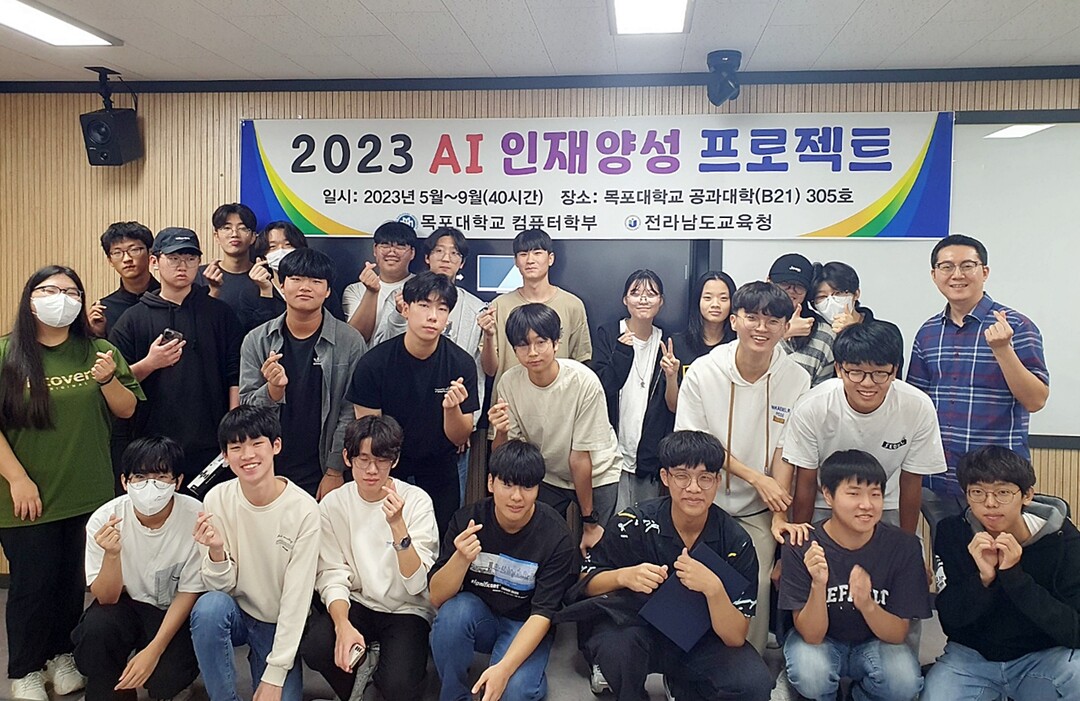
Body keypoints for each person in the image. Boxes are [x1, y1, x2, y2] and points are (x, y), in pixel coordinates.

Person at [0, 265, 142, 701]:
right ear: (30, 299)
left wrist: (107, 379)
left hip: (90, 491)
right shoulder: (6, 353)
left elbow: (127, 409)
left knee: (71, 581)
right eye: (49, 290)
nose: (60, 299)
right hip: (28, 496)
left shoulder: (99, 350)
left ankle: (61, 656)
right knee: (32, 585)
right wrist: (18, 478)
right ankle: (25, 669)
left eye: (71, 292)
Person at [569, 430, 772, 701]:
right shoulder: (633, 523)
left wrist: (714, 589)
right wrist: (623, 577)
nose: (694, 488)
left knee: (754, 684)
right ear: (665, 477)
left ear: (717, 481)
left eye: (705, 478)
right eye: (682, 476)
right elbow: (585, 582)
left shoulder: (736, 541)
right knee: (616, 650)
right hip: (635, 630)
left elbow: (735, 637)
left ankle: (682, 686)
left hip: (701, 640)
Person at [674, 281, 810, 653]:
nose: (761, 328)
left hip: (757, 509)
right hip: (703, 502)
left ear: (786, 327)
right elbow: (696, 446)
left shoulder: (797, 378)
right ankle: (684, 667)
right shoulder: (704, 371)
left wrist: (779, 513)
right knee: (692, 580)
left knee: (757, 584)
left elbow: (786, 449)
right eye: (752, 317)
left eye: (772, 320)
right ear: (734, 321)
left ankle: (746, 666)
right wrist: (755, 477)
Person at [907, 234, 1049, 538]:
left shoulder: (1017, 327)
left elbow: (1036, 400)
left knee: (1002, 559)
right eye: (946, 267)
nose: (956, 274)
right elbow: (915, 405)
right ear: (934, 275)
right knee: (951, 560)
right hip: (939, 480)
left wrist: (1003, 349)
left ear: (984, 271)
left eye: (967, 265)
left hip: (996, 484)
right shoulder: (928, 333)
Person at [923, 446, 1080, 700]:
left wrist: (1015, 577)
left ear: (1027, 495)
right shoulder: (953, 533)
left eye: (1003, 492)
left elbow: (1075, 631)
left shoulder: (1064, 541)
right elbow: (951, 621)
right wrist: (983, 580)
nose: (990, 503)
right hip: (971, 658)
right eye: (977, 492)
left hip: (1041, 657)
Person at [301, 415, 439, 701]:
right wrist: (342, 625)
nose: (372, 470)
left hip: (406, 609)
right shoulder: (333, 504)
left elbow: (417, 585)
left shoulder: (417, 501)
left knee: (399, 687)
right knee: (316, 645)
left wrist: (398, 525)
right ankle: (361, 685)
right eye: (363, 460)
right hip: (359, 602)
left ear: (395, 461)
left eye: (381, 460)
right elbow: (331, 575)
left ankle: (373, 680)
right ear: (347, 458)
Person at [428, 440, 578, 701]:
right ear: (490, 483)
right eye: (507, 484)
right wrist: (461, 559)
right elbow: (437, 597)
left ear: (538, 488)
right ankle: (454, 695)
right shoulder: (468, 520)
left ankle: (527, 679)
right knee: (452, 615)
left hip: (525, 622)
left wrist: (504, 670)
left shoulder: (557, 536)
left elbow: (543, 614)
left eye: (527, 486)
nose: (516, 496)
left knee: (515, 690)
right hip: (479, 615)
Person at [188, 406, 320, 701]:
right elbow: (219, 587)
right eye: (236, 447)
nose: (247, 455)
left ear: (276, 446)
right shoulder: (217, 499)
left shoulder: (304, 510)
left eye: (257, 443)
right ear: (225, 456)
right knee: (209, 608)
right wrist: (216, 552)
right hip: (235, 612)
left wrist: (276, 674)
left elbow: (297, 599)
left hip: (277, 622)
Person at [779, 450, 930, 701]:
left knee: (904, 683)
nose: (866, 505)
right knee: (811, 675)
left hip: (875, 643)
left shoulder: (904, 546)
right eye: (854, 493)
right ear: (828, 495)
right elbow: (812, 636)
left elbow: (897, 634)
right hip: (822, 642)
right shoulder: (802, 543)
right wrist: (818, 584)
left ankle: (859, 695)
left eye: (875, 494)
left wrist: (867, 604)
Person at [72, 436, 202, 701]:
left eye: (161, 477)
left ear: (177, 482)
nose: (150, 486)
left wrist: (154, 651)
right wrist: (112, 555)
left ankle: (172, 682)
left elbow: (189, 592)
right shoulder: (104, 519)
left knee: (167, 678)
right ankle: (114, 679)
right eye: (140, 477)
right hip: (125, 606)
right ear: (124, 482)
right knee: (97, 629)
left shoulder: (196, 516)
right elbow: (106, 598)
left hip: (171, 611)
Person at [785, 321, 946, 535]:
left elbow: (911, 481)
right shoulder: (812, 406)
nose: (868, 383)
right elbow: (805, 481)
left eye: (880, 373)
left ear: (894, 370)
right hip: (824, 502)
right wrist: (801, 541)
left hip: (886, 502)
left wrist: (907, 544)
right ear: (839, 369)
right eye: (856, 372)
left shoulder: (917, 406)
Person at [347, 271, 479, 533]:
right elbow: (368, 431)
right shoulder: (374, 363)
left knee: (440, 536)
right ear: (405, 309)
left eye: (442, 309)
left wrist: (451, 410)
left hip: (439, 468)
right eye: (424, 305)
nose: (433, 316)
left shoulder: (461, 364)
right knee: (382, 537)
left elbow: (460, 437)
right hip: (387, 465)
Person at [109, 227, 243, 483]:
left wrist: (231, 429)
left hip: (211, 443)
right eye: (173, 258)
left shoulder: (220, 313)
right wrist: (150, 363)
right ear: (154, 261)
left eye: (191, 258)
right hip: (152, 448)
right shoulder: (132, 319)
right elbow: (115, 382)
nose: (183, 266)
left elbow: (234, 372)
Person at [490, 303, 622, 555]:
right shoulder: (509, 382)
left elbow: (580, 459)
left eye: (540, 342)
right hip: (548, 474)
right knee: (543, 548)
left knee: (599, 550)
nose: (532, 352)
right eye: (523, 345)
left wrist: (589, 522)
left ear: (556, 343)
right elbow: (506, 457)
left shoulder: (583, 381)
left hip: (596, 473)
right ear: (514, 349)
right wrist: (502, 431)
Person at [239, 248, 367, 499]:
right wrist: (272, 391)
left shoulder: (349, 341)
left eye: (316, 281)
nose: (305, 287)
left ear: (328, 291)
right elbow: (245, 411)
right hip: (269, 468)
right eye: (296, 279)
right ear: (281, 285)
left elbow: (350, 411)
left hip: (323, 469)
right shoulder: (257, 340)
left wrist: (334, 470)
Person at [372, 227, 488, 504]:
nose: (432, 316)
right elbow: (381, 343)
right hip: (392, 446)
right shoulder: (399, 301)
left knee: (443, 517)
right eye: (439, 251)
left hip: (444, 445)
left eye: (454, 253)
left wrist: (464, 422)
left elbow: (479, 373)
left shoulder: (475, 312)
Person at [592, 269, 676, 510]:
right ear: (625, 300)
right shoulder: (609, 334)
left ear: (661, 301)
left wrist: (671, 375)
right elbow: (601, 388)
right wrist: (621, 353)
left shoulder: (667, 341)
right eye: (636, 293)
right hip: (610, 454)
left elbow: (671, 407)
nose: (643, 299)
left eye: (651, 293)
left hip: (648, 458)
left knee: (645, 522)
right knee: (613, 523)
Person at [478, 228, 591, 392]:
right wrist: (488, 336)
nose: (530, 260)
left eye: (537, 253)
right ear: (516, 261)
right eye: (523, 254)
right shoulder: (498, 306)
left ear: (550, 258)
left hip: (559, 400)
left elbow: (581, 362)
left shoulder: (573, 305)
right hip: (509, 401)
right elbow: (489, 370)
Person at [666, 270, 738, 412]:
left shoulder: (738, 346)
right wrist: (671, 376)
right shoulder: (678, 344)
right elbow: (674, 407)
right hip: (689, 424)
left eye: (723, 298)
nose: (715, 304)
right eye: (708, 298)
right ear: (698, 301)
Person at [811, 261, 903, 371]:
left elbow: (886, 371)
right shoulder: (816, 336)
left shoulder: (887, 332)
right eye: (822, 296)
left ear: (856, 293)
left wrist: (854, 332)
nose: (831, 301)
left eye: (838, 293)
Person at [196, 202, 269, 332]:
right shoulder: (201, 275)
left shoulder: (265, 276)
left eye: (242, 228)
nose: (234, 234)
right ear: (216, 236)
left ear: (253, 237)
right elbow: (196, 323)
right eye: (227, 228)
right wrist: (213, 291)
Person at [342, 221, 417, 343]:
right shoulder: (355, 290)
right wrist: (371, 292)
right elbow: (356, 339)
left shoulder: (423, 287)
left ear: (412, 253)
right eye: (385, 245)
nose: (392, 252)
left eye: (400, 246)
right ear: (375, 250)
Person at [768, 253, 836, 386]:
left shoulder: (824, 333)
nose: (791, 290)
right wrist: (784, 335)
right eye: (785, 283)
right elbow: (747, 370)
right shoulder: (752, 319)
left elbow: (822, 390)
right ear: (769, 282)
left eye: (799, 286)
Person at [88, 221, 160, 336]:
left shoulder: (167, 299)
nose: (127, 259)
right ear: (110, 260)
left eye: (134, 250)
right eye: (117, 253)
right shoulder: (103, 309)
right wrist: (97, 334)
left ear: (150, 254)